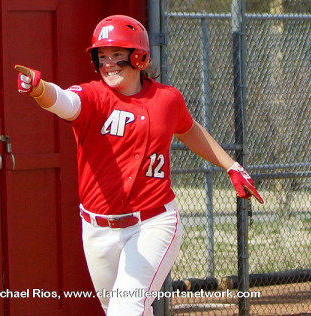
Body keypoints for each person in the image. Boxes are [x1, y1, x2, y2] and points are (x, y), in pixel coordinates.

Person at [15, 15, 264, 316]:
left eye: (117, 55)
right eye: (102, 56)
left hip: (152, 222)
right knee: (120, 310)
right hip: (97, 228)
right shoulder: (94, 96)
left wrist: (230, 165)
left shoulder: (166, 99)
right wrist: (40, 90)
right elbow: (66, 101)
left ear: (139, 56)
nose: (108, 64)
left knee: (127, 308)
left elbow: (187, 129)